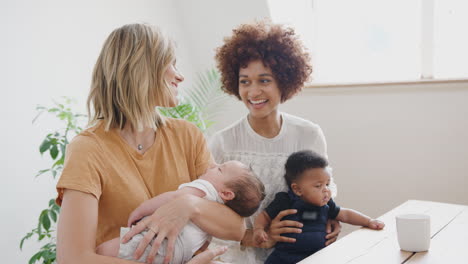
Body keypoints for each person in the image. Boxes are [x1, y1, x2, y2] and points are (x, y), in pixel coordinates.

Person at [55, 23, 247, 264]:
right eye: (171, 63)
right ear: (142, 69)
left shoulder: (187, 135)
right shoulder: (88, 149)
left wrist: (188, 204)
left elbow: (236, 228)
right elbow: (72, 258)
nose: (180, 75)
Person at [208, 20, 342, 263]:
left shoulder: (308, 134)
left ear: (285, 80)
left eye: (264, 80)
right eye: (245, 81)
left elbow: (324, 187)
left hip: (299, 251)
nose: (253, 92)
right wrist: (253, 234)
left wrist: (329, 217)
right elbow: (208, 211)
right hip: (242, 255)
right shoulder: (223, 143)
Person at [96, 160, 265, 264]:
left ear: (227, 194)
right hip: (180, 255)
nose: (213, 165)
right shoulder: (217, 209)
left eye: (220, 169)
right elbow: (205, 242)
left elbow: (174, 197)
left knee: (103, 251)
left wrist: (141, 210)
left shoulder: (204, 188)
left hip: (160, 242)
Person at [254, 150, 385, 264]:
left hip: (318, 256)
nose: (326, 190)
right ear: (297, 189)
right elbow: (265, 216)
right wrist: (259, 229)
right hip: (285, 257)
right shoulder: (285, 200)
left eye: (327, 184)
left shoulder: (327, 204)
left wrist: (368, 221)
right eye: (318, 186)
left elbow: (345, 214)